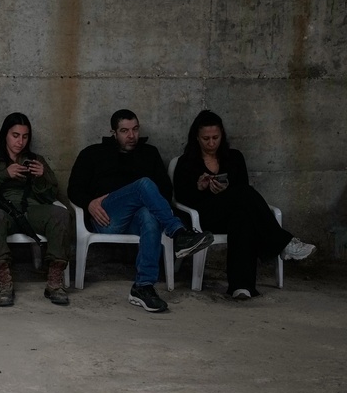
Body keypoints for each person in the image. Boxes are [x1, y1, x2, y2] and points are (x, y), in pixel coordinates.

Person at [68, 109, 214, 313]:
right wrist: (89, 203)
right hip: (107, 218)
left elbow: (165, 190)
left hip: (137, 220)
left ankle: (143, 286)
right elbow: (73, 188)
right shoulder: (93, 153)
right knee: (144, 184)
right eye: (124, 131)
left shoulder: (149, 153)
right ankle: (179, 233)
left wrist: (147, 201)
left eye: (135, 129)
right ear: (113, 132)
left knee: (149, 215)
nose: (131, 136)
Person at [174, 110, 315, 300]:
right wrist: (199, 187)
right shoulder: (187, 162)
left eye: (215, 137)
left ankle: (241, 287)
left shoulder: (234, 158)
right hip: (204, 216)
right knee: (243, 195)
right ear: (196, 138)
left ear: (222, 135)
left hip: (231, 213)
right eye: (205, 138)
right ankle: (283, 242)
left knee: (242, 217)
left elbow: (244, 193)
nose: (211, 143)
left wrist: (226, 190)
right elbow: (180, 200)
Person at [0, 113, 72, 307]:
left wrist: (42, 177)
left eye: (25, 136)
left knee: (61, 214)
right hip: (2, 211)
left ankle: (54, 282)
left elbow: (51, 196)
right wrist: (4, 174)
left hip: (31, 211)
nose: (20, 141)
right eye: (15, 135)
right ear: (5, 135)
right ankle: (5, 283)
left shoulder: (35, 160)